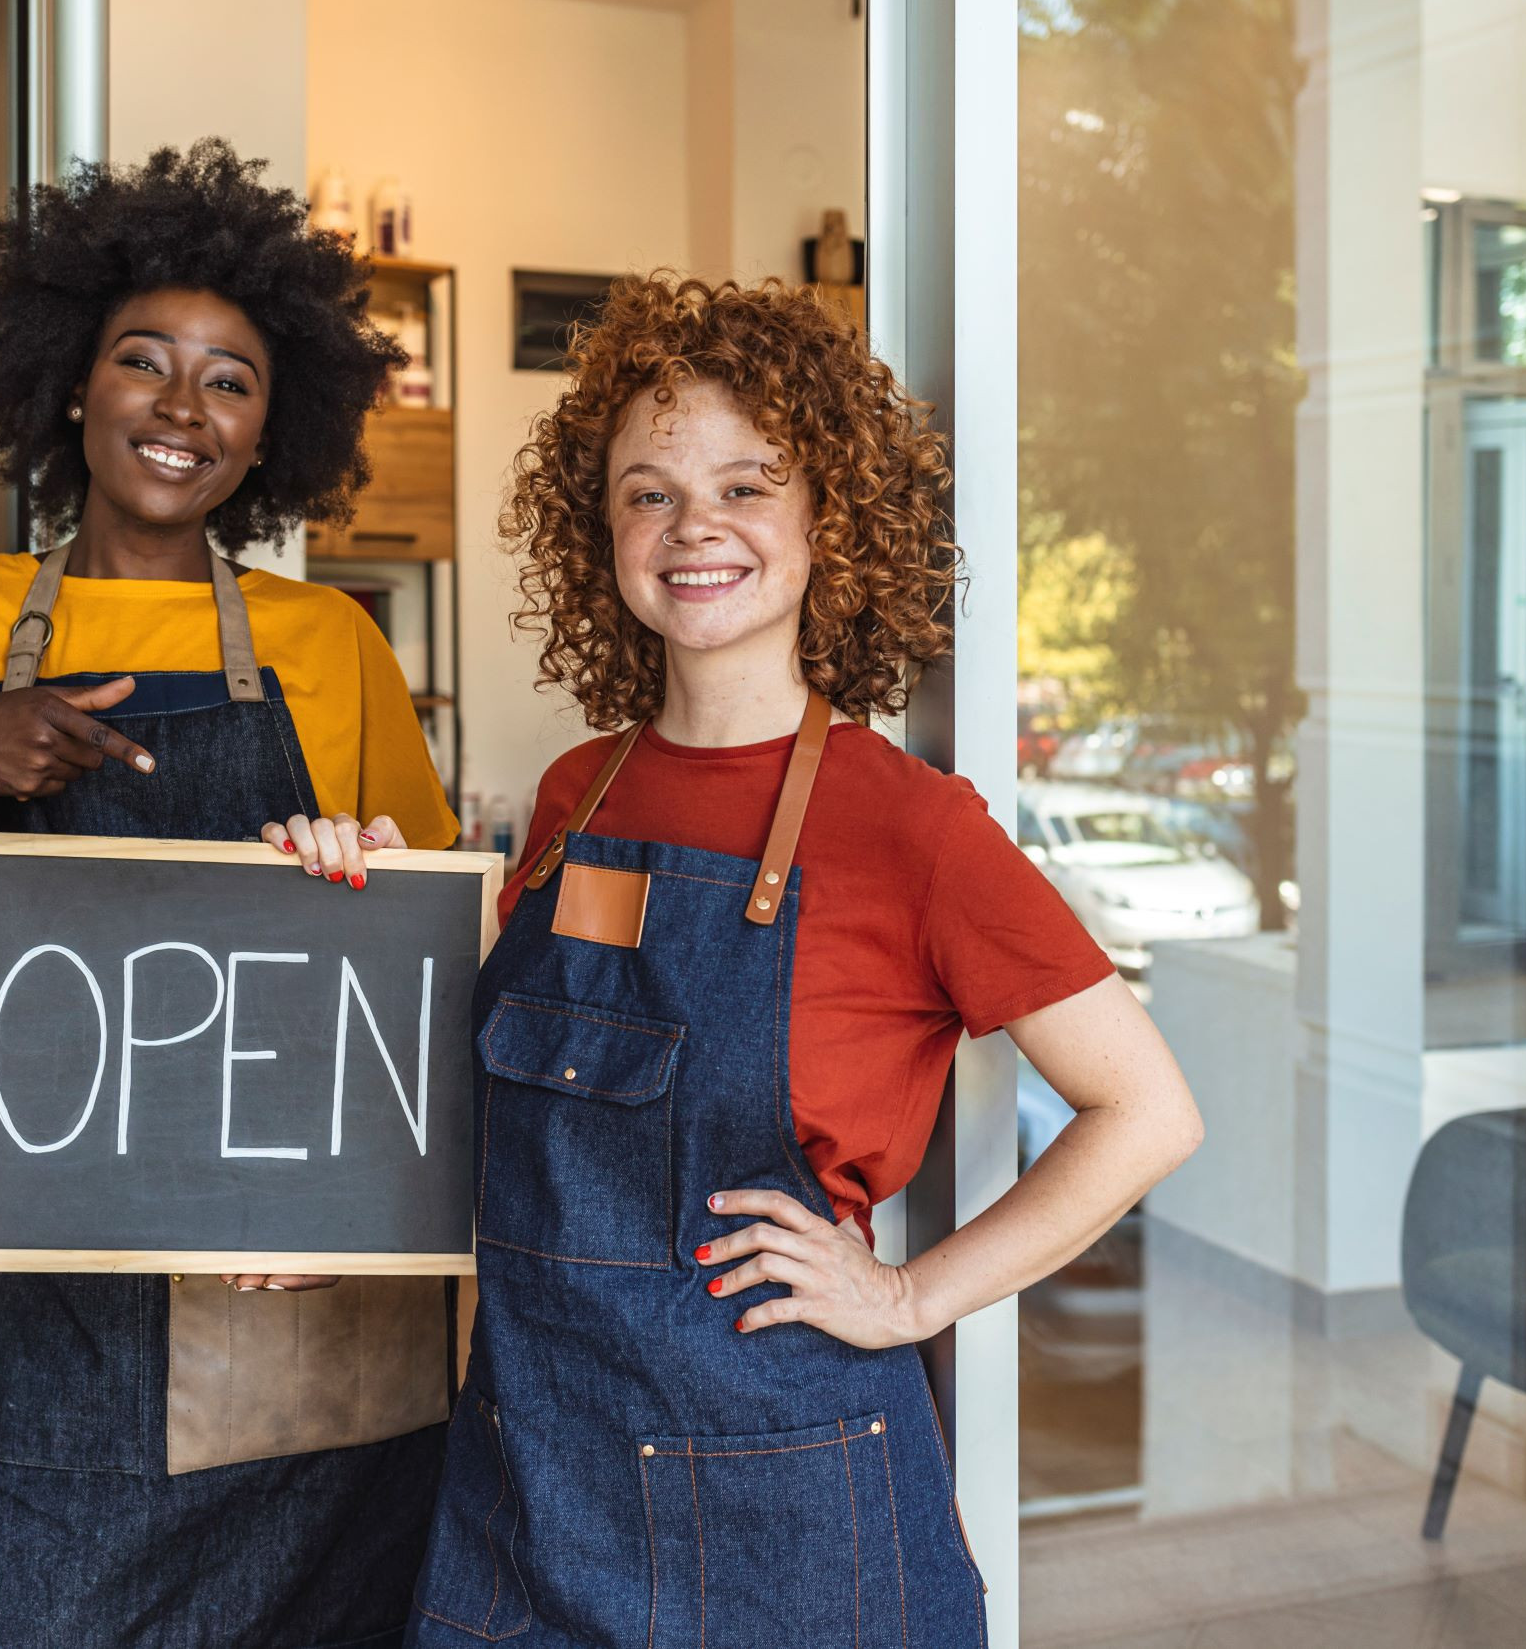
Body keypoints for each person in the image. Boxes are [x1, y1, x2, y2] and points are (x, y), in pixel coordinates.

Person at [395, 276, 1202, 1647]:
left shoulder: (914, 827)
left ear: (831, 518)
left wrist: (911, 1295)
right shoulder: (579, 792)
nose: (694, 525)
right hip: (528, 1478)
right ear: (602, 533)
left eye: (747, 485)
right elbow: (489, 1114)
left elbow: (1148, 1113)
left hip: (782, 1496)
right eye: (649, 491)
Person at [0, 140, 458, 1649]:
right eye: (146, 360)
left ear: (274, 434)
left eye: (232, 382)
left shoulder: (332, 646)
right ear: (71, 382)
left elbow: (425, 969)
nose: (183, 409)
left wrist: (355, 874)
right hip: (62, 1287)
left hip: (297, 1304)